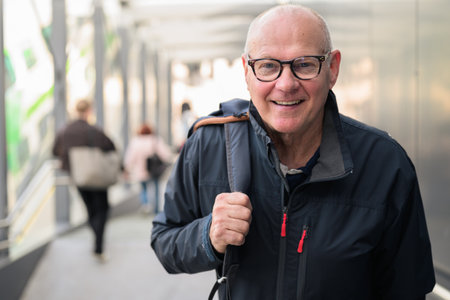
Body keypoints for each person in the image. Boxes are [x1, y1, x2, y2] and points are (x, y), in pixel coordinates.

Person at [151, 4, 435, 300]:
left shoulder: (385, 165)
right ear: (247, 71)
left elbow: (407, 290)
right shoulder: (208, 147)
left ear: (332, 68)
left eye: (305, 64)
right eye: (268, 66)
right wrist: (208, 234)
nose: (286, 84)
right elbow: (164, 241)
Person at [53, 99, 116, 262]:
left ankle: (97, 239)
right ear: (89, 111)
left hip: (78, 177)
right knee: (102, 210)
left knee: (90, 210)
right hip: (97, 176)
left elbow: (55, 150)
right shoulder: (93, 130)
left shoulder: (65, 131)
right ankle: (98, 246)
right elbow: (111, 146)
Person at [124, 123, 172, 214]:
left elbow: (130, 157)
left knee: (144, 189)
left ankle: (146, 205)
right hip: (154, 171)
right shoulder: (155, 140)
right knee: (156, 189)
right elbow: (165, 154)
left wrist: (127, 168)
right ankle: (156, 210)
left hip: (140, 171)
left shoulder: (135, 142)